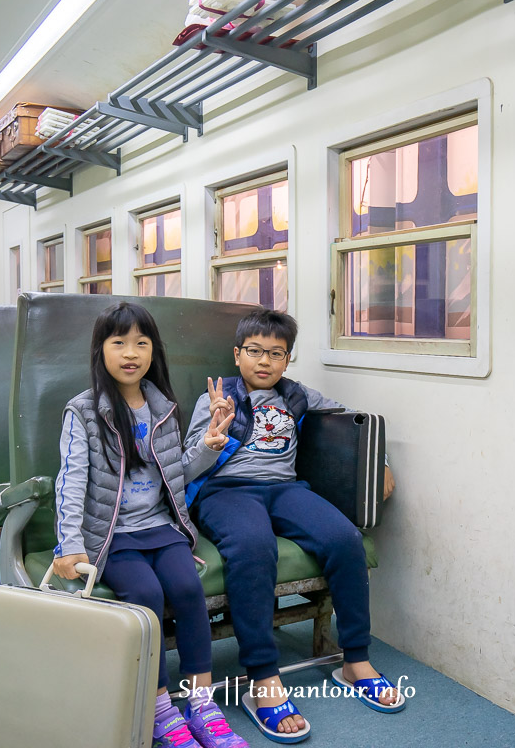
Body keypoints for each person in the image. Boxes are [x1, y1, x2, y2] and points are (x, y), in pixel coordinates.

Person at [183, 308, 402, 744]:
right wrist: (213, 437)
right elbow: (188, 467)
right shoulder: (217, 396)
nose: (264, 361)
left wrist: (381, 462)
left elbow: (353, 422)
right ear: (237, 354)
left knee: (344, 539)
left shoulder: (298, 395)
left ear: (287, 360)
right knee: (253, 546)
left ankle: (354, 659)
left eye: (275, 354)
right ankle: (263, 678)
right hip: (226, 491)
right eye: (254, 351)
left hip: (284, 489)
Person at [48, 302, 248, 748]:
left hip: (160, 528)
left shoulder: (162, 406)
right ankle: (159, 708)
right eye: (118, 342)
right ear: (100, 350)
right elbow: (71, 480)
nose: (130, 352)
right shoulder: (83, 411)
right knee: (145, 596)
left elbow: (176, 470)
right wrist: (69, 544)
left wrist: (210, 445)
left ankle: (202, 703)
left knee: (188, 590)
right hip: (111, 535)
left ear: (154, 351)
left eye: (141, 342)